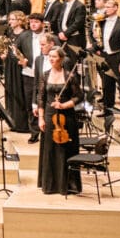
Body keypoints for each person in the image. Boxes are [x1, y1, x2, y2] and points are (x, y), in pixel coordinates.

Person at [34, 47, 82, 194]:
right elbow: (41, 98)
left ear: (61, 59)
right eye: (50, 56)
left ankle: (67, 184)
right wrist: (41, 118)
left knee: (65, 149)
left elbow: (79, 97)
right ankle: (50, 184)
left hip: (66, 116)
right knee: (49, 149)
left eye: (54, 56)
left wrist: (63, 105)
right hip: (49, 115)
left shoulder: (70, 76)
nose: (51, 59)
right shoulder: (45, 75)